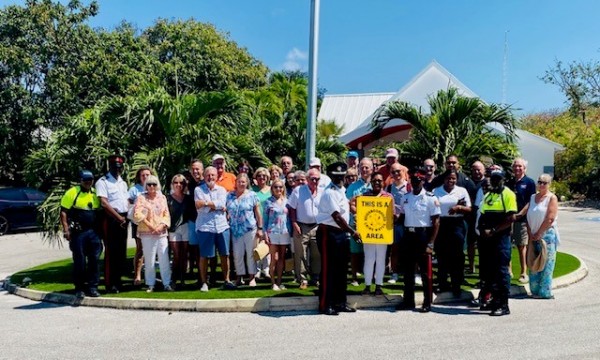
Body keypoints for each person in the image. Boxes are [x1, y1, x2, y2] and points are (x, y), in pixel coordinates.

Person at [316, 162, 362, 315]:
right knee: (329, 270)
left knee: (341, 270)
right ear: (331, 176)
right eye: (336, 176)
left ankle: (340, 302)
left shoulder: (342, 190)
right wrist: (352, 231)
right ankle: (325, 304)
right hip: (328, 233)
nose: (339, 178)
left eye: (341, 176)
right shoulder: (329, 192)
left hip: (341, 233)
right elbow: (336, 217)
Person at [396, 167, 440, 313]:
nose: (416, 182)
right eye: (413, 180)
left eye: (418, 180)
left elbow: (436, 222)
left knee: (426, 273)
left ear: (423, 180)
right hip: (409, 236)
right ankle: (408, 301)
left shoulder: (430, 197)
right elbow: (401, 217)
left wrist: (431, 243)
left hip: (423, 236)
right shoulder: (406, 197)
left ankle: (427, 302)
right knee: (408, 272)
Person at [478, 168, 517, 316]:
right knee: (490, 272)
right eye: (493, 178)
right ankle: (494, 300)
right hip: (487, 239)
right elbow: (482, 215)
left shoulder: (508, 194)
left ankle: (503, 304)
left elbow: (511, 218)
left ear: (503, 179)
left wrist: (493, 230)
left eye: (498, 178)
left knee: (501, 272)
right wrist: (482, 230)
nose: (495, 181)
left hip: (501, 239)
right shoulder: (488, 195)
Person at [60, 170, 103, 298]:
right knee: (80, 261)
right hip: (78, 233)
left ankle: (93, 287)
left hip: (93, 232)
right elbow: (63, 212)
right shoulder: (73, 192)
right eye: (85, 180)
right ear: (80, 180)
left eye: (90, 180)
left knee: (94, 260)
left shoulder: (95, 193)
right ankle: (79, 288)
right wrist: (66, 229)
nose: (88, 182)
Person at [351, 172, 394, 296]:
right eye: (374, 180)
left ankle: (379, 286)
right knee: (369, 259)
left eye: (379, 180)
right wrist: (357, 213)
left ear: (383, 182)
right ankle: (368, 285)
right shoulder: (365, 195)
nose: (377, 183)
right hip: (368, 232)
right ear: (371, 182)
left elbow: (393, 213)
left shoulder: (388, 196)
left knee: (381, 259)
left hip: (383, 232)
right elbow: (351, 203)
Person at [195, 166, 235, 291]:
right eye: (208, 175)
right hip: (205, 227)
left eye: (213, 175)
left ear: (216, 177)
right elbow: (199, 207)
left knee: (225, 254)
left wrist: (206, 204)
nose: (210, 177)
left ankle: (226, 280)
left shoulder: (222, 190)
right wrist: (213, 206)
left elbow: (222, 204)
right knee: (204, 256)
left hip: (222, 226)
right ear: (204, 176)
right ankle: (204, 282)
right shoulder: (198, 190)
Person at [432, 169, 472, 296]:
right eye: (448, 178)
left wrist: (459, 207)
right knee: (441, 255)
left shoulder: (462, 191)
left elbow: (469, 208)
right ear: (444, 179)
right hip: (442, 224)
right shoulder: (436, 191)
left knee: (457, 256)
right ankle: (442, 283)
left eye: (453, 178)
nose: (451, 181)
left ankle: (456, 284)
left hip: (457, 224)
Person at [132, 175, 173, 292]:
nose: (151, 187)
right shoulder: (141, 198)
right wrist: (150, 225)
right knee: (149, 259)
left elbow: (166, 214)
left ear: (157, 185)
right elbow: (137, 214)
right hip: (147, 233)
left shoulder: (162, 198)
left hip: (161, 233)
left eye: (154, 184)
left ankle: (167, 283)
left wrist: (161, 226)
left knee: (164, 258)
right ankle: (150, 283)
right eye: (149, 184)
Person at [96, 155, 129, 293]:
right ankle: (110, 283)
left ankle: (118, 281)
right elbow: (104, 202)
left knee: (121, 251)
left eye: (119, 167)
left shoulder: (123, 183)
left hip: (123, 218)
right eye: (115, 167)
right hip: (111, 219)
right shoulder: (103, 182)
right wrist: (118, 218)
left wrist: (126, 217)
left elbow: (126, 200)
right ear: (109, 166)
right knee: (111, 252)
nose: (117, 169)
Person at [526, 174, 559, 299]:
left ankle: (545, 292)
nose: (541, 185)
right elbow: (528, 216)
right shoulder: (533, 197)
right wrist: (530, 232)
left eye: (544, 183)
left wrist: (539, 232)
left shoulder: (552, 198)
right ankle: (534, 290)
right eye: (539, 182)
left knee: (547, 263)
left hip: (547, 234)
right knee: (534, 261)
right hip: (533, 234)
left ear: (549, 184)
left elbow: (550, 218)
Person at [288, 167, 323, 288]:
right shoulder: (298, 190)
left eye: (317, 179)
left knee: (317, 254)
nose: (315, 181)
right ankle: (302, 279)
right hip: (301, 225)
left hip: (317, 226)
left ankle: (316, 277)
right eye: (312, 179)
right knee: (300, 253)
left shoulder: (322, 191)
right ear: (307, 179)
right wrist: (294, 223)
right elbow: (291, 208)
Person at [226, 173, 263, 287]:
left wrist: (260, 228)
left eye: (243, 182)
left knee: (251, 254)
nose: (241, 184)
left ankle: (252, 277)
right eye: (239, 181)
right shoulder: (229, 195)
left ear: (247, 183)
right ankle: (239, 277)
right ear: (235, 182)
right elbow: (226, 211)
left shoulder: (252, 195)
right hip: (235, 230)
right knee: (237, 254)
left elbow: (258, 213)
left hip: (250, 229)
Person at [507, 158, 537, 283]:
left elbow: (530, 201)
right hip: (509, 219)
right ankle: (508, 271)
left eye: (520, 166)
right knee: (507, 245)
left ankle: (524, 272)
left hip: (522, 220)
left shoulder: (529, 182)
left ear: (524, 168)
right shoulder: (509, 182)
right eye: (515, 166)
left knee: (521, 246)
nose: (517, 168)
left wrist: (519, 214)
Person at [345, 158, 373, 286]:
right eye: (362, 167)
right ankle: (354, 277)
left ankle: (369, 276)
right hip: (355, 223)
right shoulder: (352, 186)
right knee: (355, 251)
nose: (365, 169)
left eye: (367, 167)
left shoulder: (375, 185)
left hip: (372, 224)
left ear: (372, 169)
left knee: (370, 252)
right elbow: (348, 202)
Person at [263, 179, 292, 290]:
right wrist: (265, 233)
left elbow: (289, 217)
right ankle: (273, 282)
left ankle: (279, 281)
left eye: (280, 187)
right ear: (272, 189)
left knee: (281, 258)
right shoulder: (268, 202)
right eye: (276, 187)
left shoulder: (287, 201)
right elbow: (265, 220)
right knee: (273, 258)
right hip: (272, 232)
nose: (278, 189)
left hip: (284, 232)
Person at [167, 174, 194, 288]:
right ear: (172, 184)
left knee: (184, 254)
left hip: (186, 227)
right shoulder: (167, 198)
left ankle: (183, 279)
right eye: (176, 182)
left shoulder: (188, 198)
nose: (179, 185)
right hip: (173, 229)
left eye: (181, 183)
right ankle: (174, 278)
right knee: (177, 255)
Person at [128, 166, 153, 286]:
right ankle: (137, 275)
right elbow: (128, 202)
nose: (145, 177)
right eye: (143, 175)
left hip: (152, 223)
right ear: (139, 176)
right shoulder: (134, 189)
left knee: (152, 250)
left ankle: (150, 275)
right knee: (140, 249)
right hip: (138, 223)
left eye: (147, 175)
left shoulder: (155, 187)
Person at [386, 163, 411, 284]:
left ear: (404, 172)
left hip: (408, 221)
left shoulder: (409, 187)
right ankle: (394, 273)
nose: (396, 174)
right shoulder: (389, 188)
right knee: (395, 249)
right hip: (395, 222)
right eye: (393, 172)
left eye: (398, 171)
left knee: (410, 249)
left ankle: (413, 273)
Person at [466, 161, 486, 274]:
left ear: (483, 170)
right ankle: (471, 265)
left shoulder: (487, 182)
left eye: (479, 169)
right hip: (470, 217)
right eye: (474, 169)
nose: (476, 171)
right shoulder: (468, 182)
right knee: (470, 243)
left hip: (483, 217)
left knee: (483, 244)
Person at [251, 167, 272, 279]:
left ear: (268, 177)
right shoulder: (252, 190)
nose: (262, 177)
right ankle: (257, 270)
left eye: (264, 176)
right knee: (257, 245)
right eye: (259, 175)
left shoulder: (271, 190)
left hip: (270, 221)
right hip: (256, 222)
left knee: (268, 245)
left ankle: (266, 269)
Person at [187, 159, 205, 284]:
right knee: (194, 249)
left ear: (202, 170)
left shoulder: (206, 183)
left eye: (197, 168)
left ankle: (208, 276)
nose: (195, 171)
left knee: (205, 250)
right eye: (193, 169)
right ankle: (199, 276)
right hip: (192, 220)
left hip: (205, 221)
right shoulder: (188, 184)